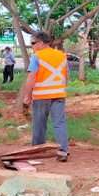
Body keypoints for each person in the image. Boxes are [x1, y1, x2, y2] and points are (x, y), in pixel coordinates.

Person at [22, 31, 69, 162]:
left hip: (41, 96)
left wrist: (27, 95)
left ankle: (37, 151)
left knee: (39, 124)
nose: (32, 46)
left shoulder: (37, 56)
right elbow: (66, 76)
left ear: (41, 43)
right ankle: (63, 151)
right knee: (59, 123)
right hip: (59, 95)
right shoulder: (61, 55)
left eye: (32, 43)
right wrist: (60, 88)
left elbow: (32, 76)